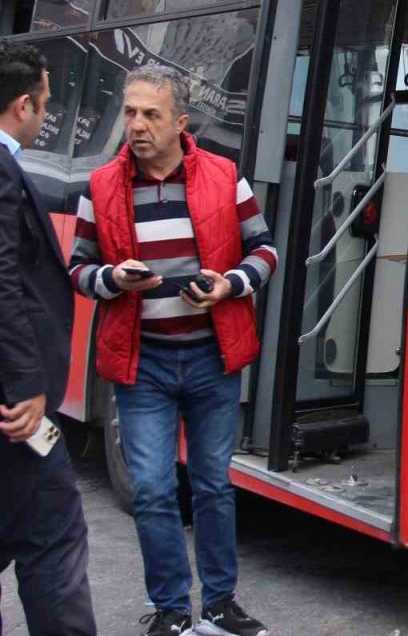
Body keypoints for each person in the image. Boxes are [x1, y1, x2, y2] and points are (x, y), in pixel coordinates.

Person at [69, 65, 277, 636]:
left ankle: (218, 605)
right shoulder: (101, 187)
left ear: (180, 122)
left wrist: (227, 286)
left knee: (213, 485)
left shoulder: (224, 176)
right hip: (145, 363)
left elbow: (264, 251)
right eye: (130, 112)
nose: (136, 125)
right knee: (154, 490)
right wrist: (114, 280)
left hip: (212, 358)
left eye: (150, 114)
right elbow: (80, 269)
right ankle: (171, 610)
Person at [0, 42, 97, 636]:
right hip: (15, 405)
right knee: (55, 531)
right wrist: (26, 386)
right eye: (45, 104)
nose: (46, 116)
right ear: (22, 105)